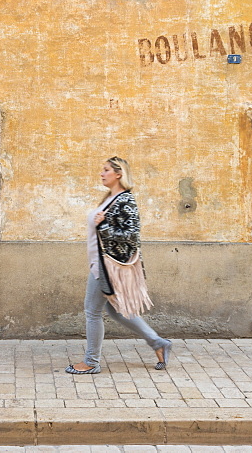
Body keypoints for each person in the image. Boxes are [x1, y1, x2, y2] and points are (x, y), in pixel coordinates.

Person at [66, 156, 172, 375]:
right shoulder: (110, 198)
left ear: (118, 174)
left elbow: (132, 236)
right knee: (116, 311)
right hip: (100, 262)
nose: (101, 173)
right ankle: (157, 343)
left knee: (92, 311)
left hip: (107, 266)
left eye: (106, 170)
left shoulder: (126, 200)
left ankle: (91, 362)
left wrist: (103, 226)